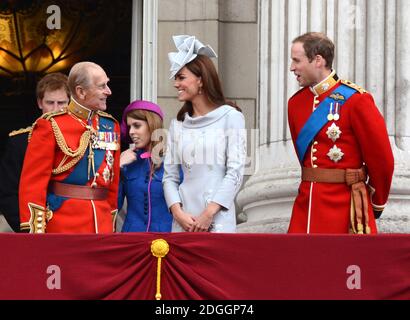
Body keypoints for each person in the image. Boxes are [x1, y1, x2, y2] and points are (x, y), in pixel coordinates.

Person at [287, 32, 394, 234]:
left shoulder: (356, 100)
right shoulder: (295, 104)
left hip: (346, 206)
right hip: (305, 206)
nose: (292, 67)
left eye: (296, 60)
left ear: (318, 60)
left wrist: (375, 201)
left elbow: (382, 160)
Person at [19, 62, 121, 233]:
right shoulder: (50, 124)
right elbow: (33, 184)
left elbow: (113, 183)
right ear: (81, 92)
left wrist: (110, 224)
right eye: (102, 86)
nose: (108, 91)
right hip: (63, 226)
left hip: (102, 225)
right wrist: (36, 232)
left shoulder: (110, 125)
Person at [163, 35, 246, 233]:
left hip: (217, 219)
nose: (176, 84)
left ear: (200, 80)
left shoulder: (231, 117)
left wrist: (208, 214)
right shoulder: (177, 125)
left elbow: (235, 172)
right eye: (176, 78)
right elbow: (169, 178)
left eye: (181, 77)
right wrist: (178, 213)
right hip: (184, 221)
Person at [0, 72, 70, 232]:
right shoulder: (19, 142)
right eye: (50, 102)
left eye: (62, 103)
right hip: (33, 226)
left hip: (71, 227)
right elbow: (7, 193)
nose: (55, 109)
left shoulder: (82, 139)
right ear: (40, 103)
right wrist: (28, 228)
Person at [118, 100, 173, 232]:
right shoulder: (127, 163)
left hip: (166, 238)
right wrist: (116, 167)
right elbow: (113, 206)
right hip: (132, 239)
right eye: (129, 126)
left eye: (137, 126)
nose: (131, 132)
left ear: (152, 125)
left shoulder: (173, 162)